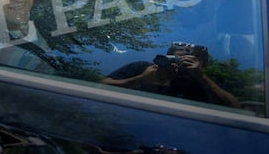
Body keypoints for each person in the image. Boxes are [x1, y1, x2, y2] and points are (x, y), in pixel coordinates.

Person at [102, 42, 240, 108]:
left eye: (185, 61)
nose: (176, 65)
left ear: (200, 65)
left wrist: (201, 78)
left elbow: (233, 108)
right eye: (173, 59)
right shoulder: (143, 68)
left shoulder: (202, 83)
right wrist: (140, 79)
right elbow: (102, 87)